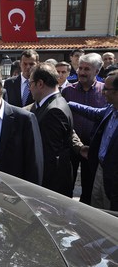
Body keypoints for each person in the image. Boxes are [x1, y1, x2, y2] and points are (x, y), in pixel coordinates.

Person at [68, 71, 118, 211]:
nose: (103, 93)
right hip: (100, 169)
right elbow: (93, 112)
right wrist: (69, 103)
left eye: (107, 89)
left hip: (113, 177)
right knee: (97, 209)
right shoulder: (111, 109)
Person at [62, 53, 107, 203]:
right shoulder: (68, 91)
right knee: (66, 185)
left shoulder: (105, 92)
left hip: (94, 148)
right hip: (71, 145)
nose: (81, 72)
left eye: (87, 69)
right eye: (80, 68)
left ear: (97, 71)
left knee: (89, 188)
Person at [27, 62, 74, 196]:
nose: (29, 88)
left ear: (40, 83)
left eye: (30, 83)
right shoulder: (52, 103)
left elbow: (50, 157)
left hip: (51, 188)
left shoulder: (54, 110)